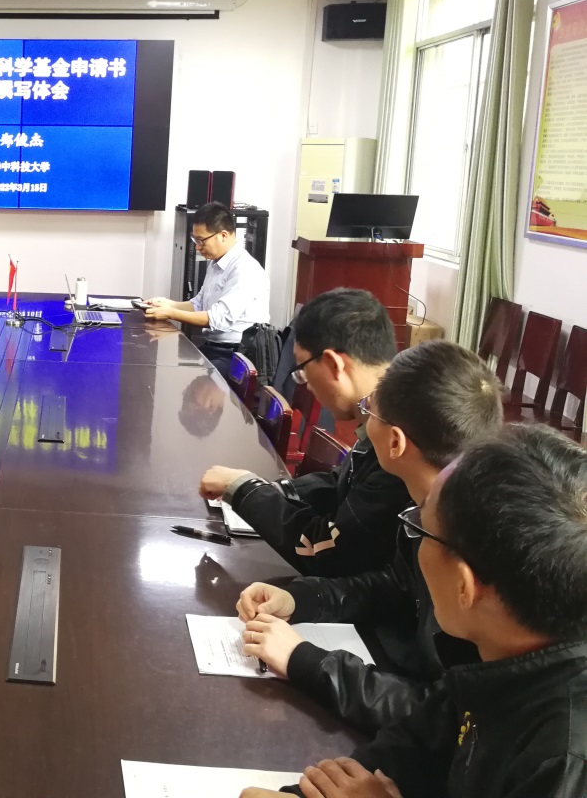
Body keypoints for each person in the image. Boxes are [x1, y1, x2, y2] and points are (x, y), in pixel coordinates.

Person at [240, 425, 587, 798]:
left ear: (464, 586)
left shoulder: (562, 758)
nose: (415, 540)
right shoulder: (492, 659)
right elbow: (410, 747)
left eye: (420, 526)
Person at [238, 341, 503, 733]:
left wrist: (304, 660)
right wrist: (302, 598)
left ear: (395, 442)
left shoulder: (476, 550)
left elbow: (451, 720)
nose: (361, 423)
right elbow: (394, 585)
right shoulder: (434, 504)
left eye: (369, 412)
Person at [199, 288, 405, 577]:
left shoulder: (398, 443)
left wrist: (246, 490)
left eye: (303, 369)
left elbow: (326, 551)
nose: (305, 383)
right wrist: (270, 490)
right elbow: (340, 484)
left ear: (333, 364)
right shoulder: (386, 408)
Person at [145, 202, 270, 375]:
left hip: (236, 355)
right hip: (215, 348)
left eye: (201, 240)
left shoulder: (245, 269)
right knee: (169, 366)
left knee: (182, 376)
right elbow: (199, 304)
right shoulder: (216, 263)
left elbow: (218, 318)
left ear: (223, 235)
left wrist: (171, 313)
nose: (197, 247)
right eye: (195, 240)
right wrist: (168, 304)